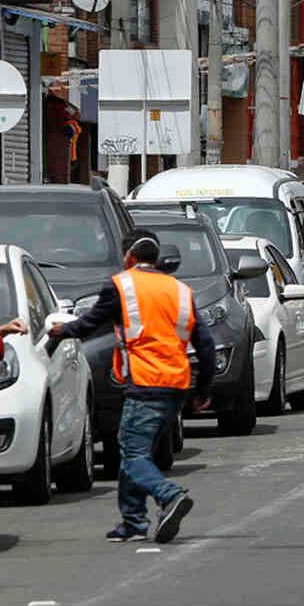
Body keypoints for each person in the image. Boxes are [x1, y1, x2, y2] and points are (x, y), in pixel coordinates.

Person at [49, 230, 217, 544]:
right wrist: (203, 390)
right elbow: (205, 345)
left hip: (146, 382)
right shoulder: (180, 290)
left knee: (133, 453)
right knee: (137, 454)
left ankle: (170, 495)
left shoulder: (121, 285)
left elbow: (91, 322)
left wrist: (62, 331)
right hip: (177, 384)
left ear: (129, 256)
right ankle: (133, 523)